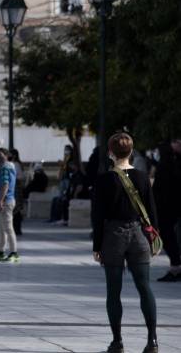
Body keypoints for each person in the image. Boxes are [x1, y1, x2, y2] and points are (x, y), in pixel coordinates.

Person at [92, 132, 158, 353]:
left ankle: (117, 341)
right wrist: (153, 237)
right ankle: (152, 341)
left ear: (111, 152)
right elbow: (151, 210)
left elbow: (98, 216)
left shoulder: (103, 180)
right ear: (131, 151)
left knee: (114, 290)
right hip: (138, 234)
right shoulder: (142, 176)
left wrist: (97, 245)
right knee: (144, 287)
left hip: (113, 236)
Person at [153, 141, 181, 282]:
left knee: (168, 234)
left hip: (168, 206)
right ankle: (176, 266)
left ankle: (176, 267)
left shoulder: (168, 161)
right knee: (168, 235)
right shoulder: (169, 160)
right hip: (169, 205)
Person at [0, 148, 19, 263]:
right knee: (1, 228)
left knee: (8, 228)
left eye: (0, 155)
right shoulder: (5, 167)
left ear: (6, 155)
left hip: (6, 201)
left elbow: (6, 184)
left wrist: (0, 200)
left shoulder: (6, 167)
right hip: (5, 201)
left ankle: (14, 253)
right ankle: (1, 252)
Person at [10, 148, 26, 236]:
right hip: (15, 188)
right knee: (15, 209)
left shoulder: (15, 164)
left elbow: (19, 176)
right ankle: (15, 228)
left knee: (16, 209)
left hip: (15, 188)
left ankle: (17, 228)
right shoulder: (15, 164)